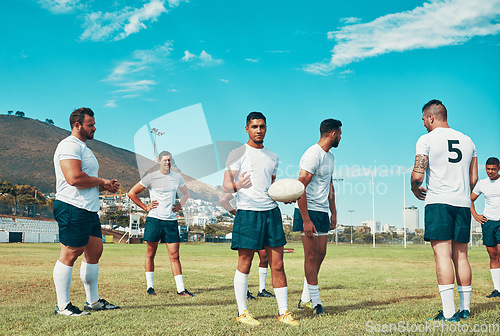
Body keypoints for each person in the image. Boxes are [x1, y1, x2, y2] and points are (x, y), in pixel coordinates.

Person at [222, 112, 299, 326]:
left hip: (271, 213)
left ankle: (284, 312)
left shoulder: (273, 156)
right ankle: (242, 312)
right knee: (245, 262)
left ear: (266, 128)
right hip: (247, 212)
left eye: (262, 126)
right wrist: (239, 186)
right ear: (247, 128)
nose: (259, 130)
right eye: (254, 126)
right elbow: (226, 185)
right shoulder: (237, 153)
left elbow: (271, 187)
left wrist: (284, 197)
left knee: (278, 264)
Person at [411, 99, 478, 321]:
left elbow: (418, 174)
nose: (423, 124)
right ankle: (466, 309)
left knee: (442, 255)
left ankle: (449, 313)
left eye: (423, 119)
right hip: (461, 203)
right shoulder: (468, 141)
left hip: (439, 201)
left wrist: (414, 187)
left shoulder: (426, 139)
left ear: (431, 117)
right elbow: (474, 178)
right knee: (461, 256)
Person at [52, 107, 120, 316]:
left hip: (88, 209)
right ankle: (63, 306)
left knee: (95, 251)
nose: (94, 128)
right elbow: (74, 179)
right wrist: (102, 181)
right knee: (71, 253)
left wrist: (103, 187)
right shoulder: (69, 145)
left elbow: (84, 182)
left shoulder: (84, 147)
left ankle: (93, 302)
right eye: (90, 124)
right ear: (77, 125)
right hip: (72, 206)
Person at [128, 151, 192, 297]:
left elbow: (186, 193)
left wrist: (179, 206)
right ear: (159, 161)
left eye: (169, 160)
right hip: (154, 220)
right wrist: (145, 207)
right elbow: (132, 193)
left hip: (170, 221)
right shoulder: (151, 177)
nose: (167, 163)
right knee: (150, 254)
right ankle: (150, 287)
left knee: (175, 256)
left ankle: (181, 289)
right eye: (164, 160)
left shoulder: (177, 177)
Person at [294, 118, 341, 315]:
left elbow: (329, 185)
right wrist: (305, 219)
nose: (340, 137)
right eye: (339, 133)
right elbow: (300, 187)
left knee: (321, 254)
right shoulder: (312, 155)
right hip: (308, 211)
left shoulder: (330, 157)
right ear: (332, 134)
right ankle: (316, 302)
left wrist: (334, 211)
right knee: (311, 255)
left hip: (322, 211)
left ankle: (306, 297)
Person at [219, 193, 275, 300]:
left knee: (265, 257)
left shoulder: (264, 186)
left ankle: (262, 290)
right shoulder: (243, 184)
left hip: (263, 222)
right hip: (248, 223)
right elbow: (223, 200)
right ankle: (244, 291)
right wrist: (237, 214)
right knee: (245, 261)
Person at [470, 157, 500, 297]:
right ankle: (497, 289)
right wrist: (475, 215)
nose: (490, 172)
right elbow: (470, 199)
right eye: (488, 169)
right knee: (493, 255)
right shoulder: (482, 184)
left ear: (498, 168)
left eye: (493, 169)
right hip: (488, 222)